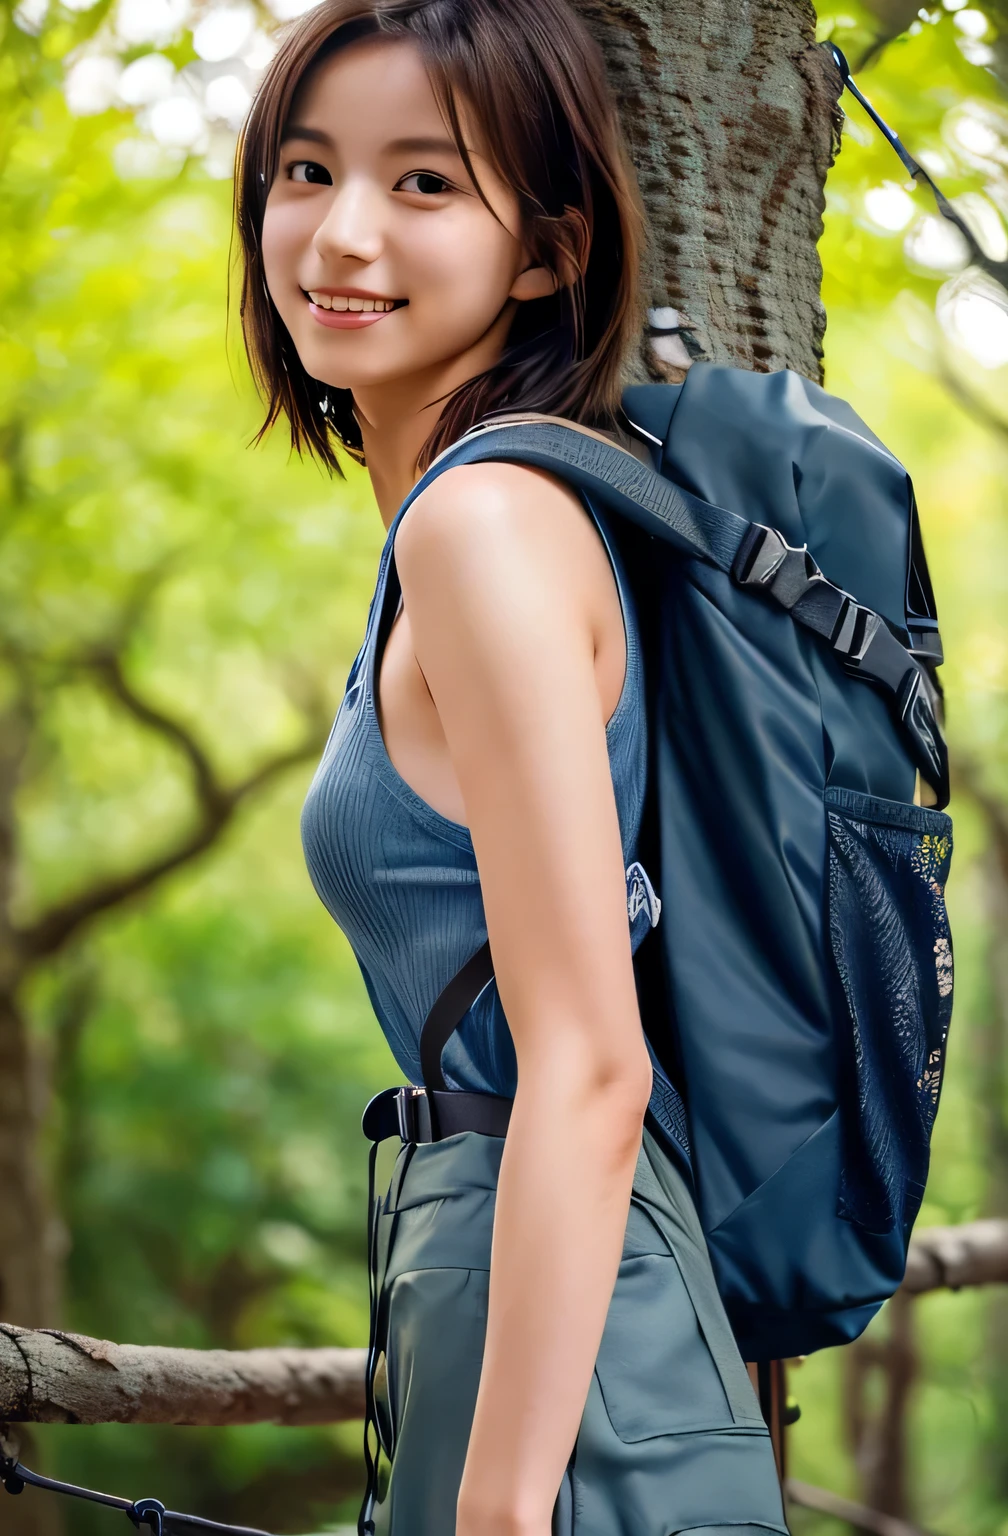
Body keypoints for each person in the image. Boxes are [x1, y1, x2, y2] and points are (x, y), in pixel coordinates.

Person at [235, 3, 790, 1533]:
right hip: (514, 1296)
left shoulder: (483, 530)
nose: (341, 235)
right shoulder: (480, 520)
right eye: (305, 170)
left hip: (557, 1334)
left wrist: (496, 1513)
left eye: (424, 184)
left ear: (546, 250)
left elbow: (591, 1064)